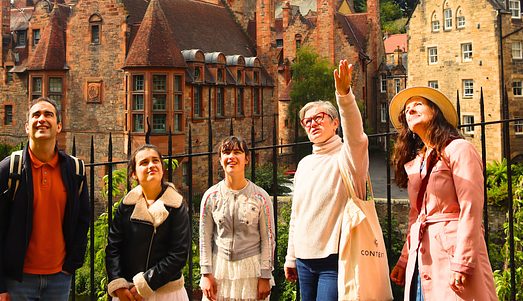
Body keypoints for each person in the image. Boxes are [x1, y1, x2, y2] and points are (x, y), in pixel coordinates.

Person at [388, 87, 499, 301]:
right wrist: (404, 259)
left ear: (436, 112)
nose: (410, 109)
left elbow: (471, 208)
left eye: (418, 104)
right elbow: (416, 216)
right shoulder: (418, 162)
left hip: (452, 252)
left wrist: (463, 261)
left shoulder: (460, 149)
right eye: (407, 109)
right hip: (420, 259)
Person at [0, 97, 91, 301]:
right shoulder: (6, 170)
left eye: (48, 114)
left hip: (59, 277)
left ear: (59, 126)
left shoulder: (75, 170)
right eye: (36, 115)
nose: (42, 119)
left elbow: (82, 221)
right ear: (26, 127)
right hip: (18, 279)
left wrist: (72, 264)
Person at [284, 60, 369, 301]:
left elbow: (356, 136)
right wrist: (291, 256)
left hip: (334, 258)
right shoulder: (304, 164)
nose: (313, 123)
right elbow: (297, 215)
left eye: (319, 117)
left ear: (335, 123)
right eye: (307, 121)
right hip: (303, 259)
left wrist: (344, 95)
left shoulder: (347, 157)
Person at [105, 144, 191, 301]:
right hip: (127, 293)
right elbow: (113, 248)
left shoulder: (176, 206)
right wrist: (118, 284)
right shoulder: (126, 206)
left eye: (155, 161)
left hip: (165, 292)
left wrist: (145, 285)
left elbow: (178, 254)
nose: (151, 165)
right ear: (133, 174)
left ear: (162, 168)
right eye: (144, 162)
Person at [199, 136, 275, 301]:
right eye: (226, 152)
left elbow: (268, 238)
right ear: (220, 159)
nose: (231, 156)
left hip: (251, 272)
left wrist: (265, 275)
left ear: (247, 159)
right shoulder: (211, 196)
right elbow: (204, 237)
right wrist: (205, 273)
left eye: (237, 152)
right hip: (219, 270)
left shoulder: (260, 197)